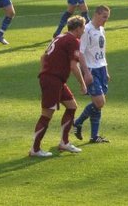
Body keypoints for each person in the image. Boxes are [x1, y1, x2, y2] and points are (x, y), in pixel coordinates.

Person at [29, 15, 92, 157]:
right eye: (83, 28)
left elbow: (43, 56)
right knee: (46, 115)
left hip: (55, 80)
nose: (84, 30)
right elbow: (74, 66)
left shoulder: (60, 37)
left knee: (72, 106)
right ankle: (35, 149)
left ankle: (64, 142)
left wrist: (45, 71)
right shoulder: (73, 41)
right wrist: (83, 84)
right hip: (53, 80)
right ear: (78, 28)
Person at [73, 5, 112, 144]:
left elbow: (102, 50)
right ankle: (77, 122)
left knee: (98, 104)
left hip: (101, 69)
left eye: (107, 17)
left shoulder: (101, 29)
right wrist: (87, 73)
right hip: (91, 70)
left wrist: (106, 70)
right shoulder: (87, 31)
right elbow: (81, 53)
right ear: (96, 14)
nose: (105, 20)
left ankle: (94, 136)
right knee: (100, 102)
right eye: (104, 17)